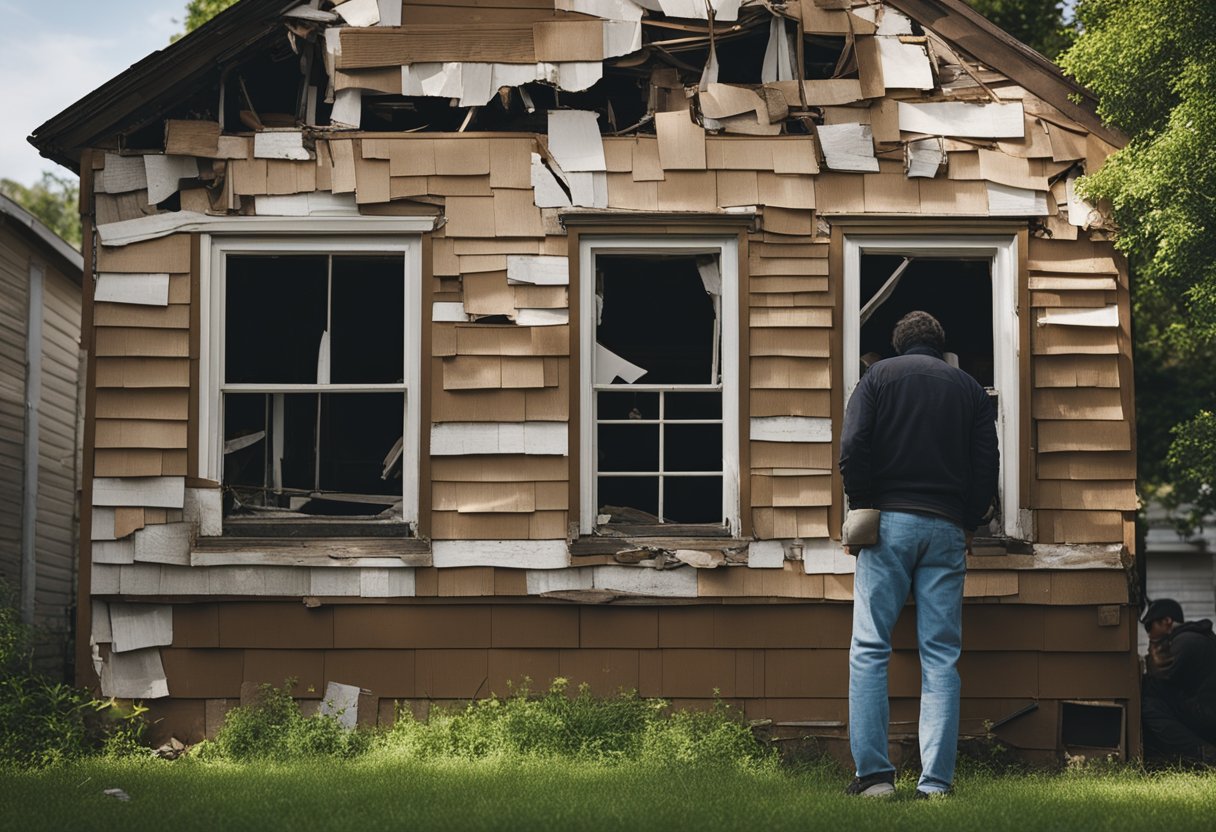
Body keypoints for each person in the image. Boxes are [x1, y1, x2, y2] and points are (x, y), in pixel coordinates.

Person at [838, 310, 998, 798]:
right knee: (941, 657)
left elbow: (852, 446)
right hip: (947, 527)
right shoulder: (969, 388)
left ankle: (875, 779)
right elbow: (985, 464)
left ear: (897, 344)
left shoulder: (878, 377)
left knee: (869, 649)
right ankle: (935, 785)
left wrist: (863, 505)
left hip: (888, 524)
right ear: (939, 343)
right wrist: (970, 521)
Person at [1141, 598, 1216, 765]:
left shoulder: (1186, 641)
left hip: (1208, 713)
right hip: (1205, 709)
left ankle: (1204, 752)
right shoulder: (1193, 637)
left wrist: (1154, 644)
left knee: (1148, 706)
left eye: (1150, 626)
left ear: (1167, 621)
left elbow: (1157, 677)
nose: (1148, 633)